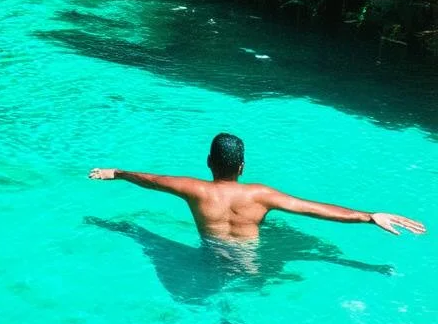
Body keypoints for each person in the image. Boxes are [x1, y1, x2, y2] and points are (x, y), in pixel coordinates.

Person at [89, 133, 426, 245]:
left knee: (139, 234)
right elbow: (312, 208)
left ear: (209, 162)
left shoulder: (193, 189)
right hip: (249, 263)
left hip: (210, 257)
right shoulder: (260, 194)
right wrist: (369, 216)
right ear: (242, 168)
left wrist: (114, 172)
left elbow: (150, 180)